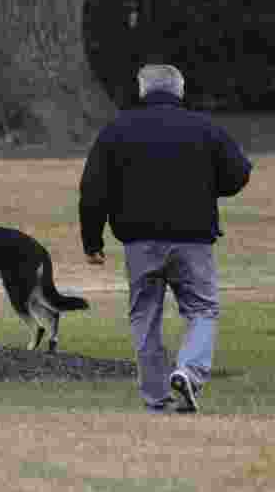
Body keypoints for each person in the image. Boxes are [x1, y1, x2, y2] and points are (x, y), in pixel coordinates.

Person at [79, 64, 252, 413]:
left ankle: (156, 399)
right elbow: (238, 174)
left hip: (140, 241)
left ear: (142, 89)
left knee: (145, 314)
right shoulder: (206, 128)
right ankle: (189, 371)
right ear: (180, 90)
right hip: (193, 239)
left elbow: (93, 190)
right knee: (202, 309)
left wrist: (92, 242)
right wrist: (205, 187)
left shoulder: (117, 130)